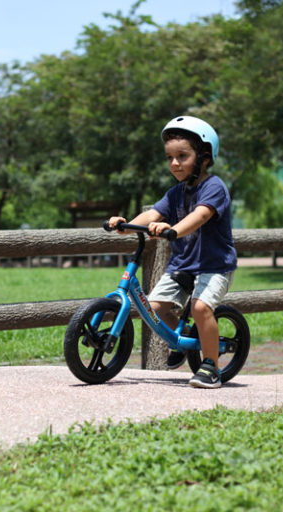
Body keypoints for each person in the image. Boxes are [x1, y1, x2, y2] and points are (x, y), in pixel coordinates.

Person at [108, 115, 237, 388]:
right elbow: (153, 213)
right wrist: (126, 226)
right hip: (183, 265)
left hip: (214, 266)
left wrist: (173, 230)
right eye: (169, 158)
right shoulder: (176, 192)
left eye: (182, 156)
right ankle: (184, 336)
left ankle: (211, 366)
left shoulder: (214, 187)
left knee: (201, 307)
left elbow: (201, 216)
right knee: (152, 309)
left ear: (203, 158)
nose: (174, 163)